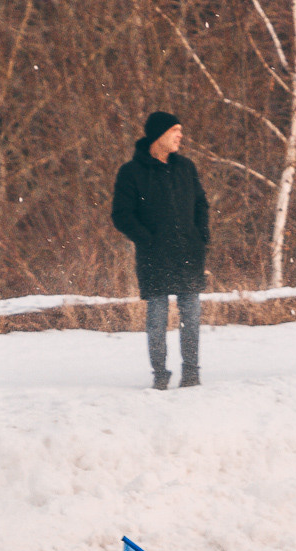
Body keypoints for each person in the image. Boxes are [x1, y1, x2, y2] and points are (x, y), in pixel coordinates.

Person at [111, 111, 211, 389]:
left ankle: (191, 373)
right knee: (157, 318)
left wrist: (201, 235)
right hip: (153, 256)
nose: (180, 135)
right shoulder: (131, 172)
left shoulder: (186, 167)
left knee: (191, 317)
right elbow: (121, 215)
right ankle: (160, 377)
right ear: (159, 135)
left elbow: (201, 204)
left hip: (189, 253)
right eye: (175, 130)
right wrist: (148, 240)